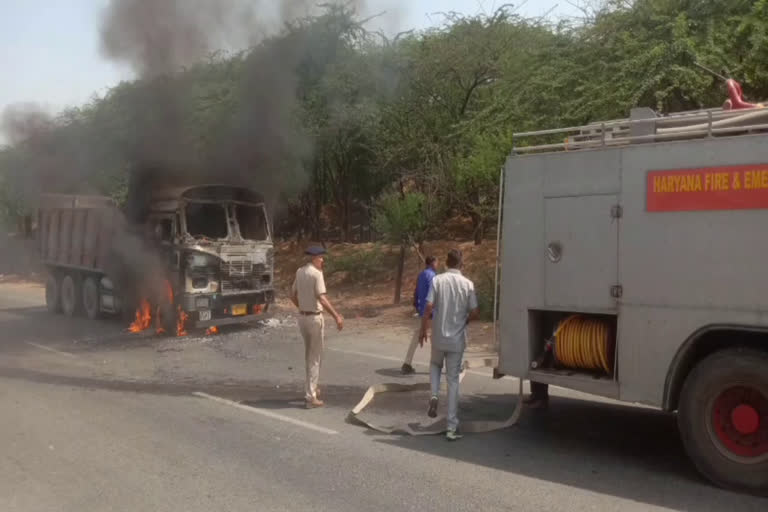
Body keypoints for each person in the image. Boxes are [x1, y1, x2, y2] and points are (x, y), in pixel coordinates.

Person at [419, 249, 479, 441]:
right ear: (462, 265)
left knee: (435, 365)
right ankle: (451, 427)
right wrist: (466, 321)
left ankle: (434, 394)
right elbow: (475, 310)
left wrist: (423, 329)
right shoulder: (468, 284)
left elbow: (428, 306)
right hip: (457, 339)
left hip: (438, 337)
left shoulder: (437, 280)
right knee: (453, 381)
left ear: (446, 263)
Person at [291, 246, 344, 409]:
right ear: (314, 258)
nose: (323, 260)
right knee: (315, 357)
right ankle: (310, 396)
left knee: (311, 355)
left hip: (302, 318)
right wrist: (336, 316)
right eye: (321, 257)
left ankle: (312, 388)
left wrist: (302, 307)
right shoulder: (316, 273)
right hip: (314, 318)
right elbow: (322, 298)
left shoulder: (300, 271)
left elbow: (292, 295)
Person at [401, 256, 438, 375]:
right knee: (437, 339)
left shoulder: (421, 275)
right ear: (432, 263)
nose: (437, 264)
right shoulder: (433, 277)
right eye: (436, 262)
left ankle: (407, 363)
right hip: (431, 312)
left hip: (422, 311)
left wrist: (418, 307)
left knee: (417, 337)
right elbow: (433, 296)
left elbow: (416, 292)